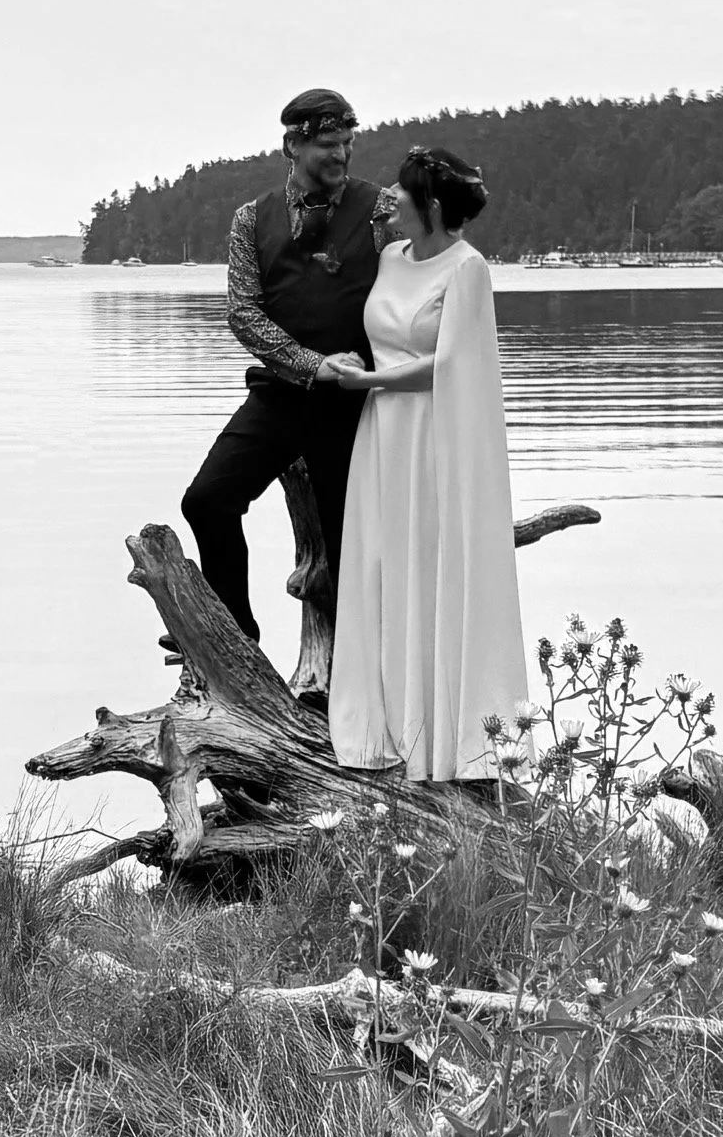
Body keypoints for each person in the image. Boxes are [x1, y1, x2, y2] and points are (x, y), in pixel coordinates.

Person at [329, 145, 530, 780]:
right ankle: (385, 723)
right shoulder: (390, 257)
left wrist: (368, 383)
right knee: (383, 564)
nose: (389, 197)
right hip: (383, 435)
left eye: (401, 191)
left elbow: (453, 366)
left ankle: (443, 739)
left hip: (431, 438)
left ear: (433, 207)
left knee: (427, 564)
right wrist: (351, 369)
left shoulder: (467, 269)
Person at [183, 86, 381, 655]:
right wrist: (311, 365)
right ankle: (233, 639)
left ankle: (361, 678)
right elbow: (243, 312)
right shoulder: (252, 218)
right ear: (292, 145)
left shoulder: (380, 211)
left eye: (346, 144)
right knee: (207, 501)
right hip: (282, 394)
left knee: (350, 545)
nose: (340, 156)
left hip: (358, 402)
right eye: (326, 146)